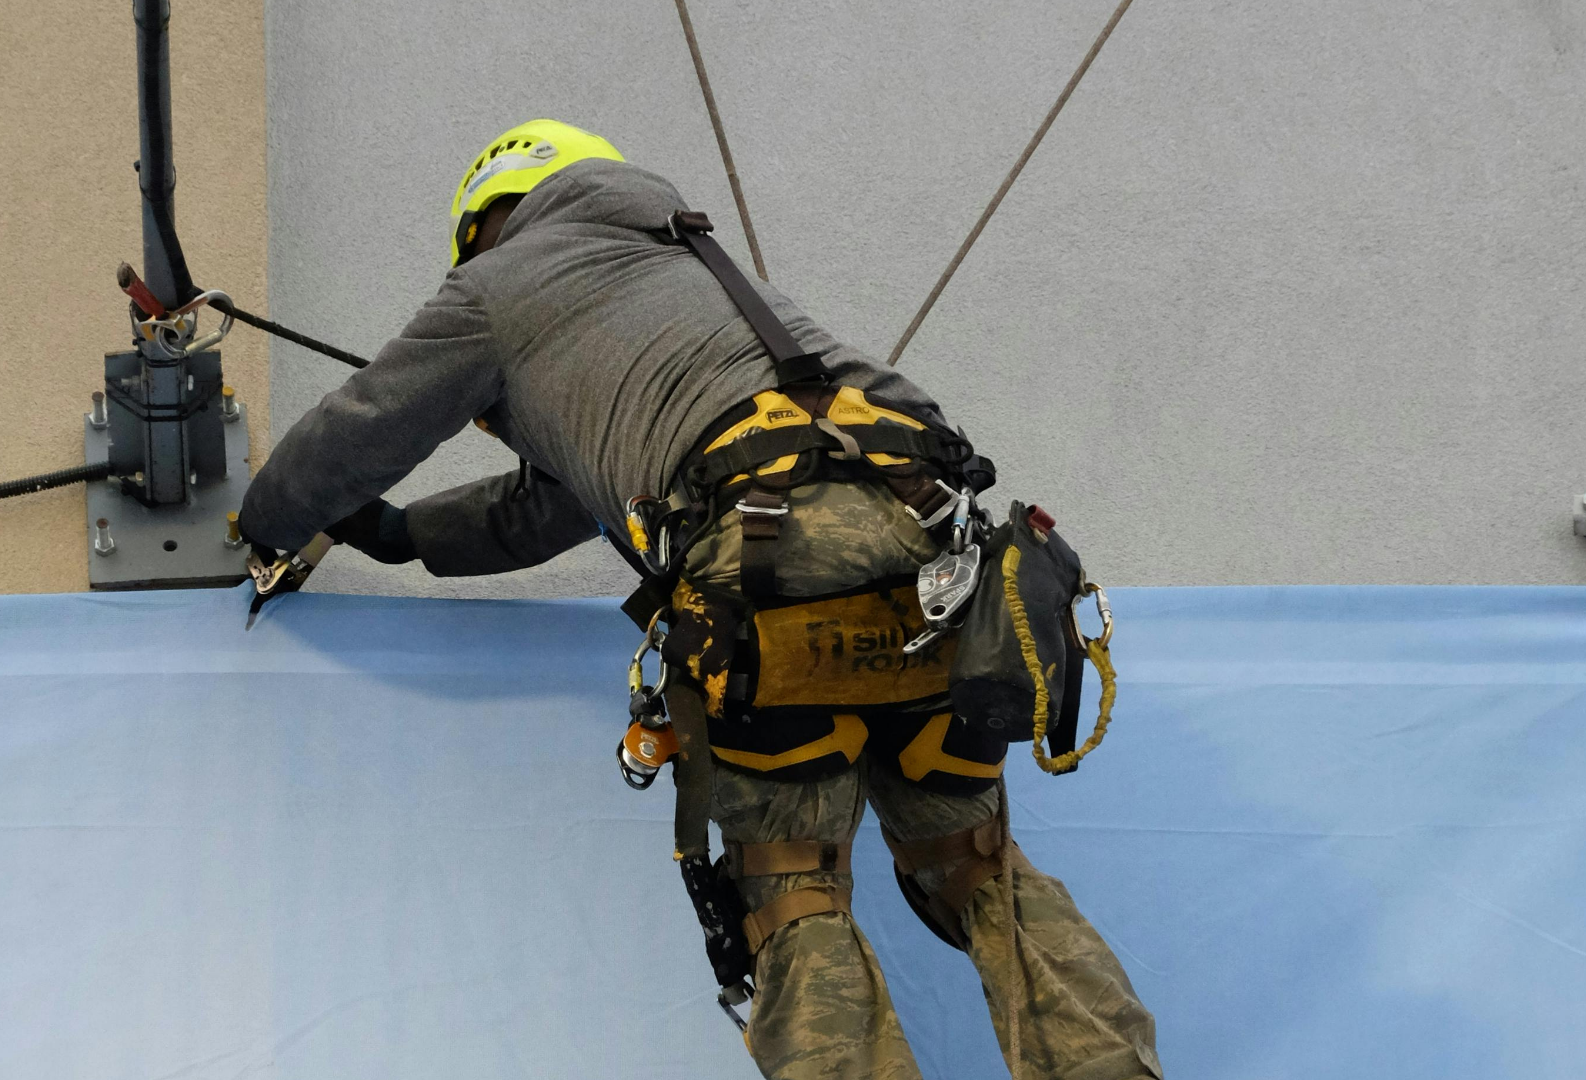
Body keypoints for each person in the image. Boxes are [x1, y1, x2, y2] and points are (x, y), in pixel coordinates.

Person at [238, 119, 1161, 1080]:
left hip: (767, 555)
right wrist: (410, 539)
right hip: (936, 545)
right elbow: (554, 504)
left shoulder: (496, 285)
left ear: (488, 221)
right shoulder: (691, 255)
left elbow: (363, 428)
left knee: (793, 896)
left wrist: (269, 519)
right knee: (979, 873)